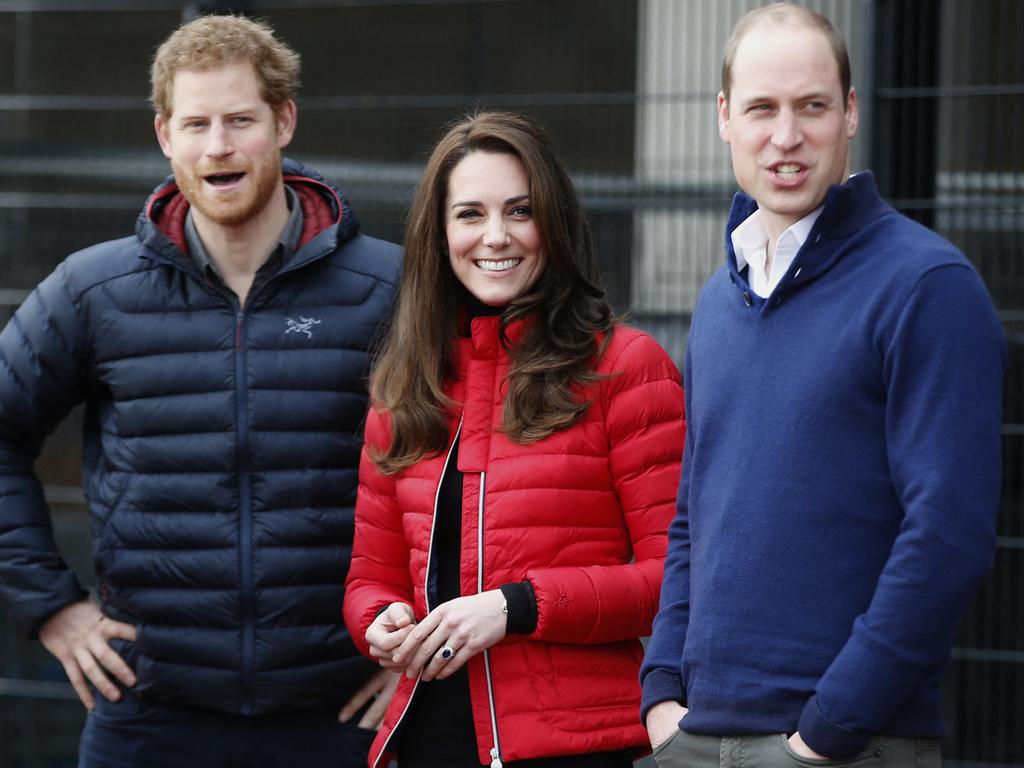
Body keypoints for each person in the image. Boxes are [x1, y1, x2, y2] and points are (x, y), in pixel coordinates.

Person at [0, 14, 401, 768]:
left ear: (283, 122)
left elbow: (481, 466)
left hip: (341, 712)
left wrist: (421, 641)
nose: (217, 146)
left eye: (240, 120)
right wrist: (52, 610)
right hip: (149, 717)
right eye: (196, 124)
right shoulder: (95, 290)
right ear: (165, 136)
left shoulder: (388, 286)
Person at [641, 4, 1005, 767]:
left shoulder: (926, 285)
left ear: (849, 113)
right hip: (696, 738)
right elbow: (691, 516)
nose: (785, 136)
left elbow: (948, 535)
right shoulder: (719, 299)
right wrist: (662, 693)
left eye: (811, 106)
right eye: (762, 109)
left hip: (846, 746)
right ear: (724, 119)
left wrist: (825, 732)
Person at [342, 110, 685, 768]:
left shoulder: (627, 369)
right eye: (470, 214)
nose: (495, 237)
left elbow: (672, 580)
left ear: (552, 223)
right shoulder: (404, 386)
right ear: (439, 235)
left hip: (574, 746)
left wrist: (516, 607)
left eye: (519, 211)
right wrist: (379, 620)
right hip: (424, 740)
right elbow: (370, 575)